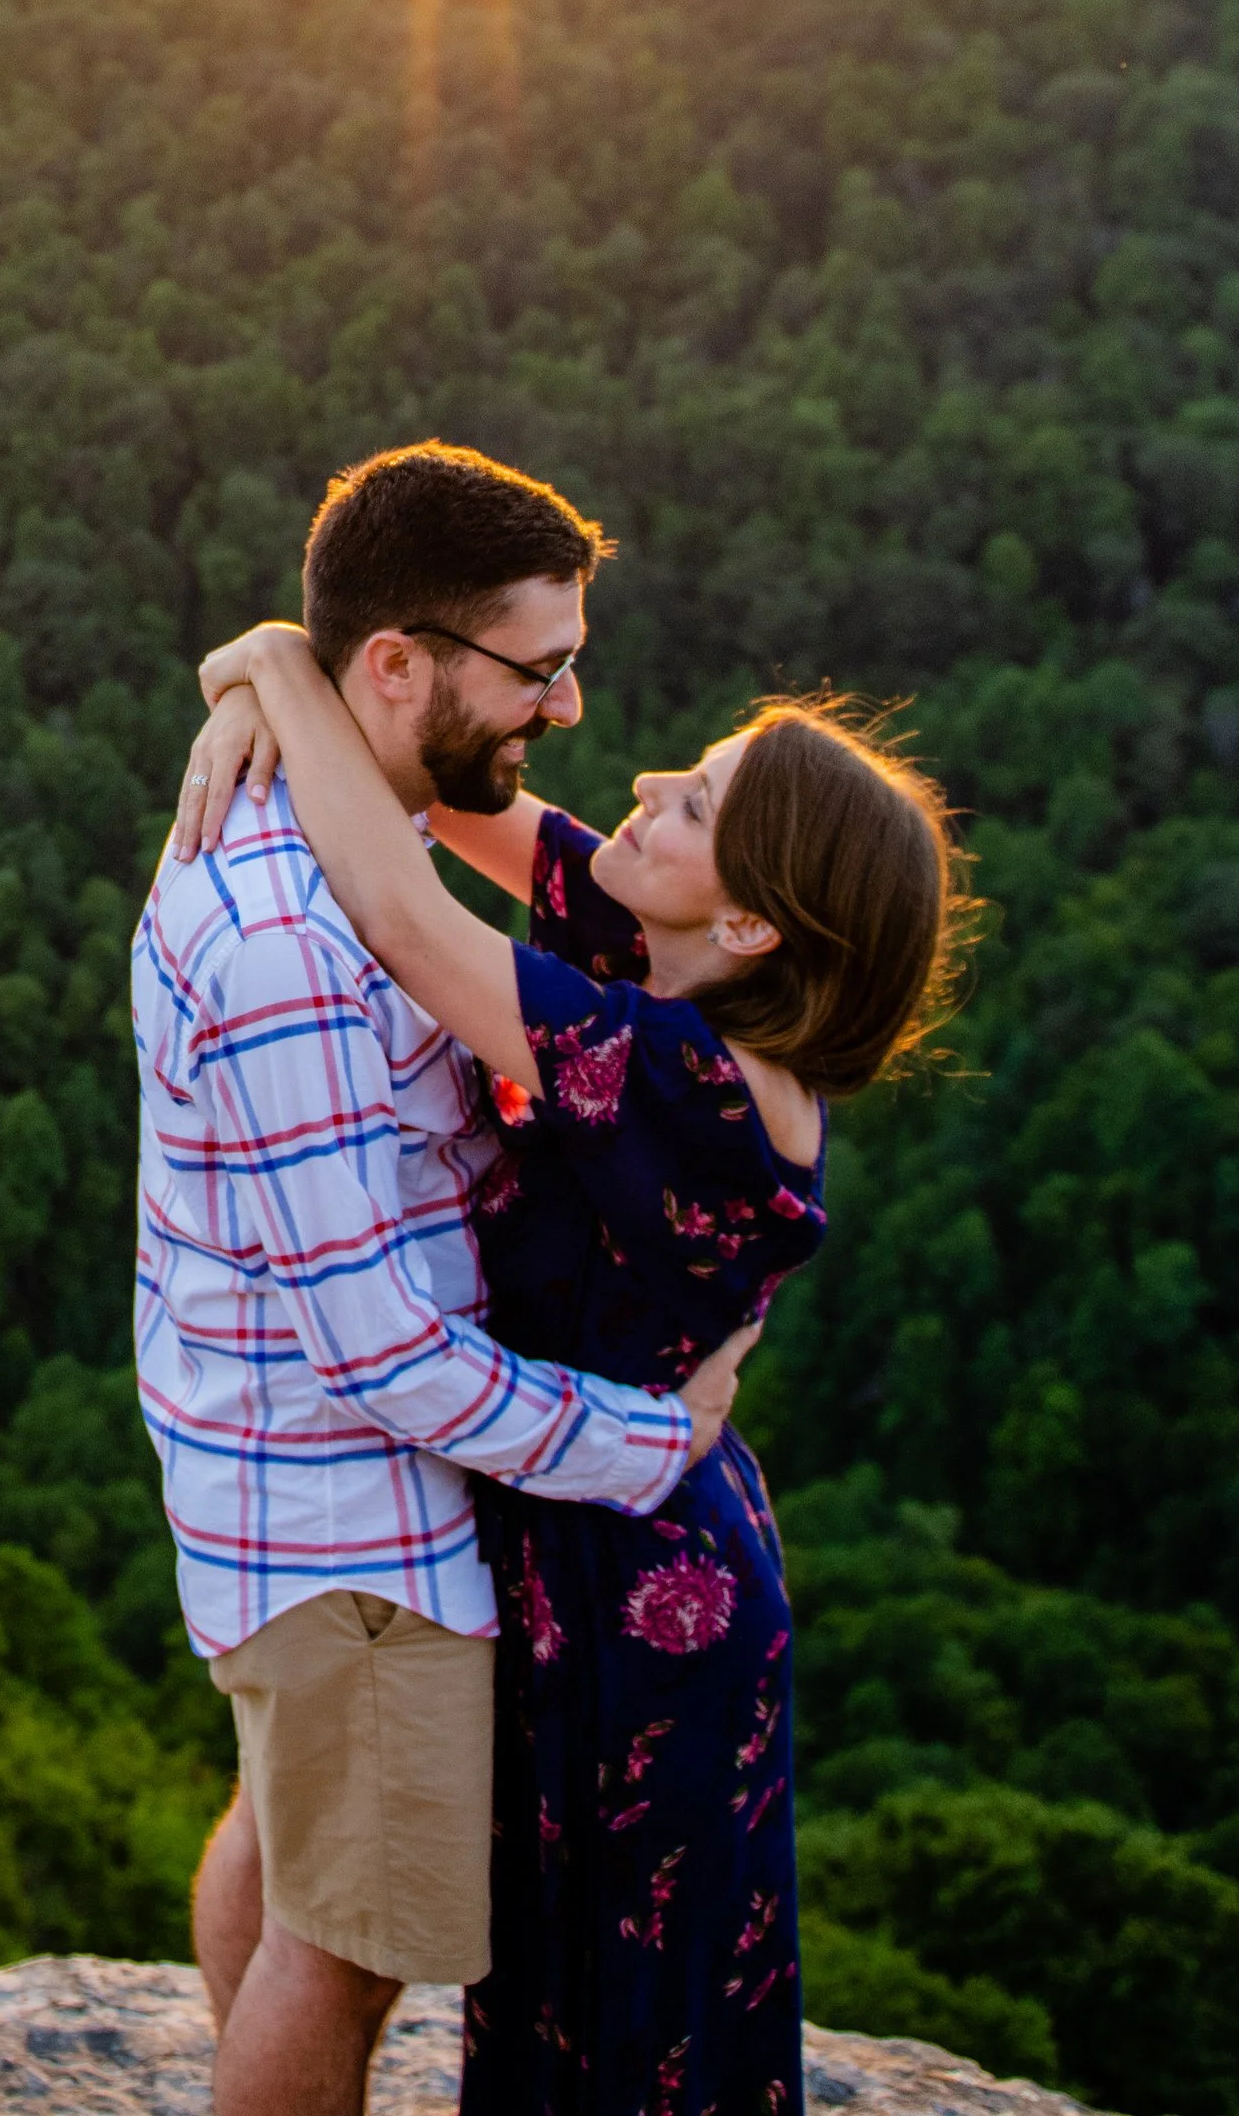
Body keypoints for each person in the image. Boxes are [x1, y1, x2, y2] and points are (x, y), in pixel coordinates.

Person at [178, 613, 969, 2116]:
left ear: (754, 924)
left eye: (696, 803)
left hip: (632, 1593)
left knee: (619, 2010)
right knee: (421, 1905)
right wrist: (289, 682)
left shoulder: (692, 1080)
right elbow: (464, 799)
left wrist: (277, 666)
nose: (649, 788)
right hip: (570, 1509)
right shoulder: (664, 966)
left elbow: (402, 910)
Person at [133, 443, 756, 2116]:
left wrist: (273, 665)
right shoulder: (295, 938)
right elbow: (386, 1356)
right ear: (401, 665)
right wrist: (655, 1444)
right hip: (355, 1518)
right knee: (342, 1949)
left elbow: (439, 893)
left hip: (282, 1480)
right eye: (538, 668)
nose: (570, 708)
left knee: (292, 1857)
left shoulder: (345, 836)